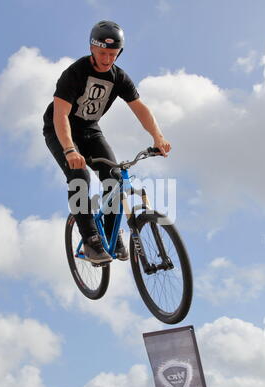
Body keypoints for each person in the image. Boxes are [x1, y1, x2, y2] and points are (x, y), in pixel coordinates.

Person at [43, 20, 171, 264]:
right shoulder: (74, 73)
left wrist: (158, 136)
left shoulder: (119, 77)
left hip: (90, 130)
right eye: (102, 52)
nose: (106, 58)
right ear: (92, 48)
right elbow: (60, 115)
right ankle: (91, 239)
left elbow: (140, 109)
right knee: (79, 176)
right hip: (60, 129)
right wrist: (70, 149)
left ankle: (112, 233)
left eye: (112, 54)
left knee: (114, 178)